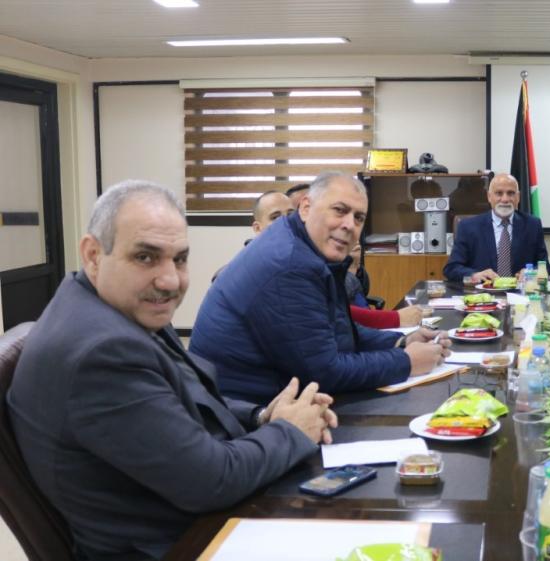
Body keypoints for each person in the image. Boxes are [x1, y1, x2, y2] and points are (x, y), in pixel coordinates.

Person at [7, 180, 336, 560]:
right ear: (93, 254)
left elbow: (184, 394)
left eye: (179, 259)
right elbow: (212, 481)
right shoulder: (101, 353)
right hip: (177, 545)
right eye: (145, 257)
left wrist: (263, 416)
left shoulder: (115, 307)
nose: (170, 280)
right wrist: (291, 431)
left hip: (198, 523)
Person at [190, 171, 450, 404]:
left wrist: (401, 341)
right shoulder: (290, 263)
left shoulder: (301, 244)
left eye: (358, 217)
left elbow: (335, 330)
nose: (349, 225)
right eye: (339, 210)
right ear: (305, 208)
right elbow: (323, 373)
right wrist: (406, 361)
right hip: (241, 416)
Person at [444, 173, 548, 283]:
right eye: (499, 193)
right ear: (489, 197)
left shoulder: (532, 225)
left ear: (518, 197)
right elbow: (451, 269)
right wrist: (474, 275)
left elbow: (545, 267)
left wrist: (531, 272)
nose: (505, 199)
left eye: (511, 193)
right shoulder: (468, 227)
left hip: (519, 292)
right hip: (483, 291)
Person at [345, 242, 423, 329]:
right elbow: (346, 314)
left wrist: (354, 266)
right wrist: (397, 318)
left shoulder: (357, 275)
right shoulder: (336, 280)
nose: (356, 242)